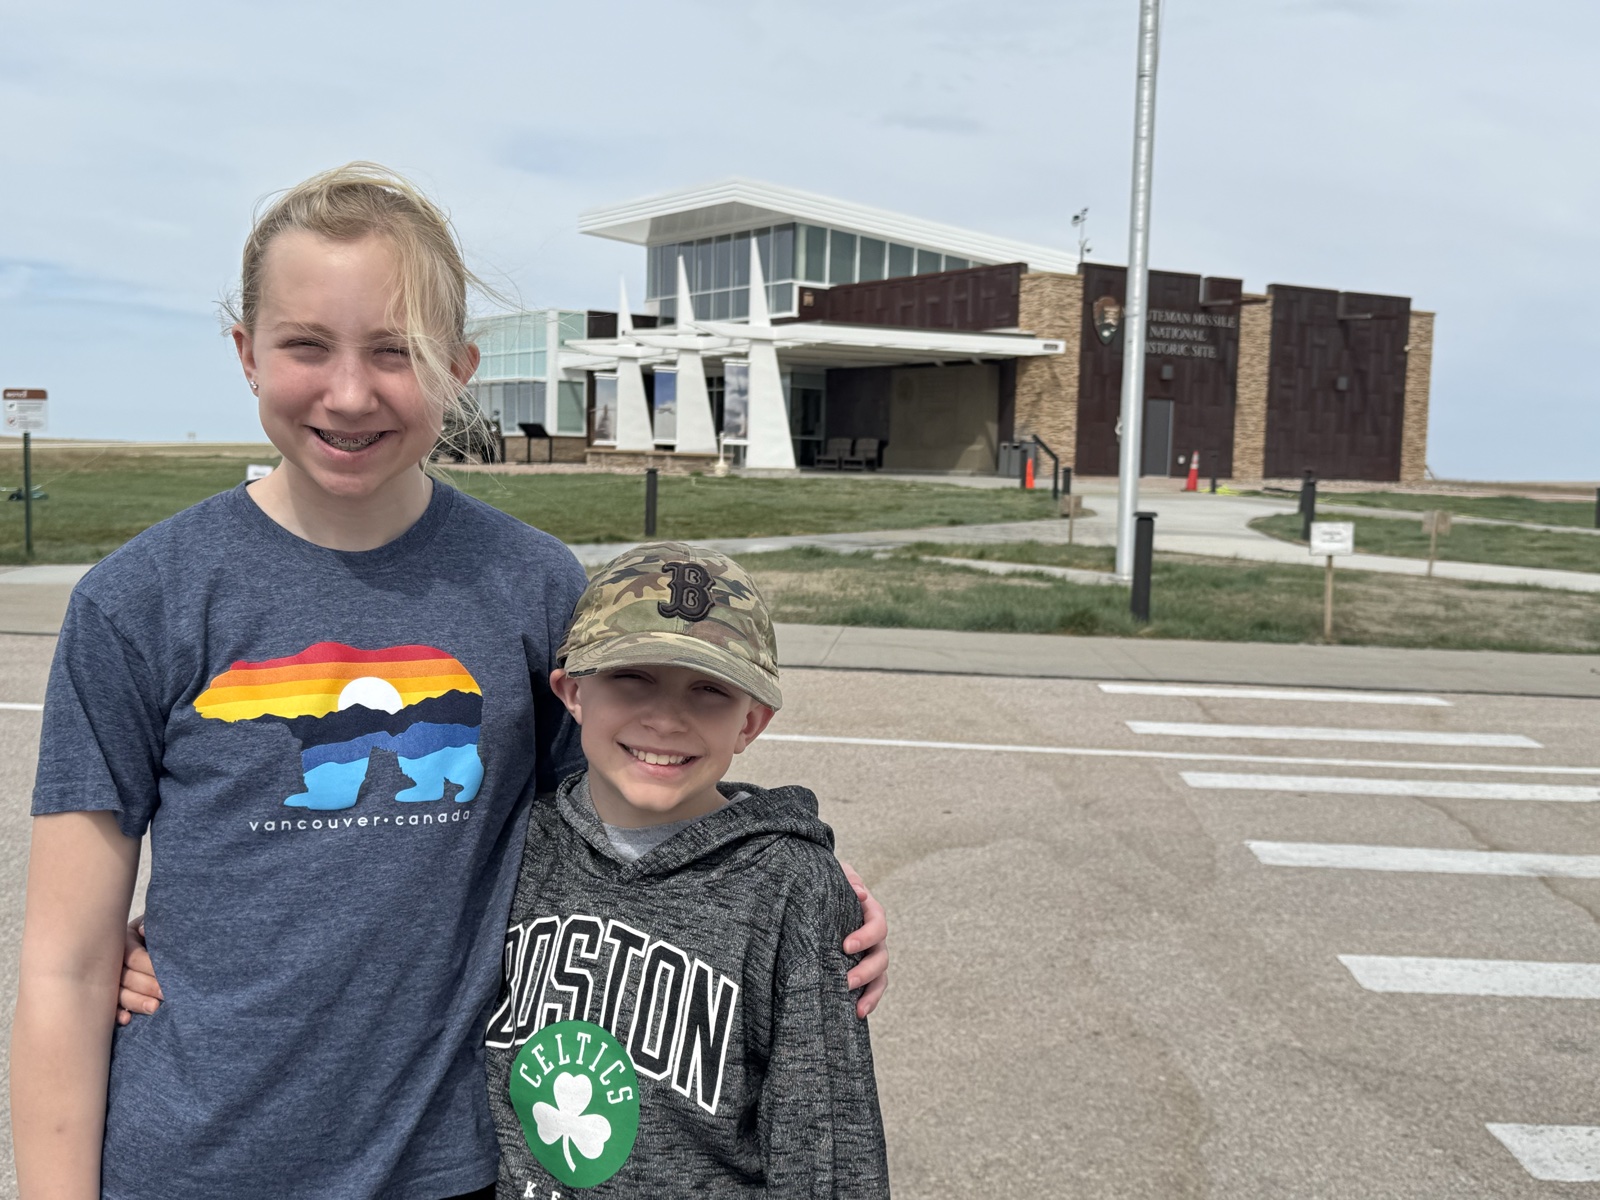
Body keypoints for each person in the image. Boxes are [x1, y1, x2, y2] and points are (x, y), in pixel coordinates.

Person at [9, 162, 887, 1200]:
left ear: (459, 370)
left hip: (457, 1166)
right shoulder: (138, 603)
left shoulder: (532, 587)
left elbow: (623, 813)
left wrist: (787, 887)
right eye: (305, 345)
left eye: (397, 352)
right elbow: (66, 967)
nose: (350, 392)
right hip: (193, 1165)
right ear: (246, 354)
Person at [486, 542, 889, 1197]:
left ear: (750, 722)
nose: (666, 718)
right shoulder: (516, 845)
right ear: (573, 691)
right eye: (632, 677)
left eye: (708, 689)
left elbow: (827, 1151)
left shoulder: (792, 888)